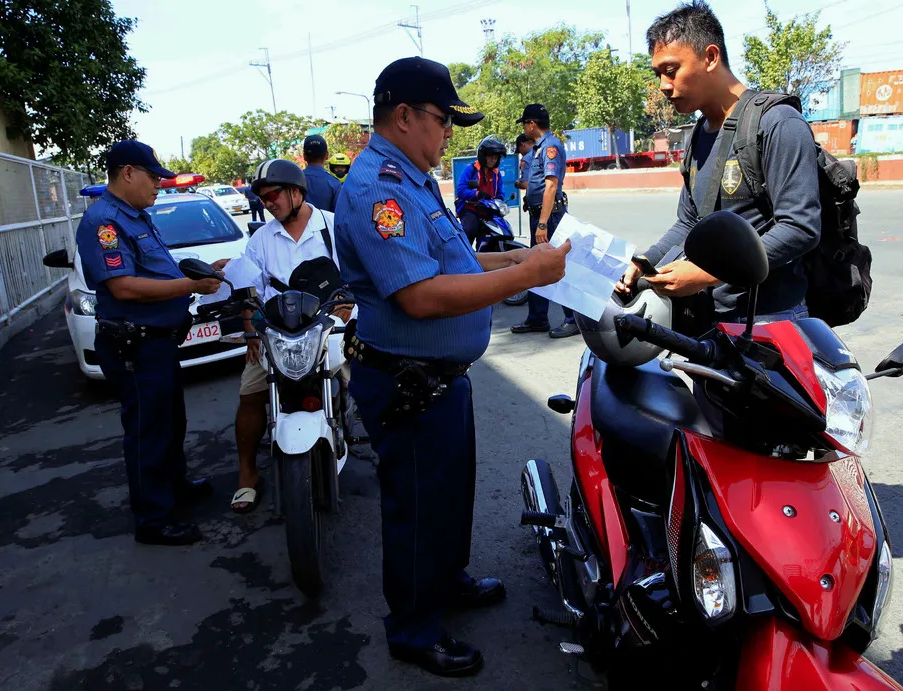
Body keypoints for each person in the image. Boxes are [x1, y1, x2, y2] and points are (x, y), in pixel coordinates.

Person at [334, 56, 570, 677]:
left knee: (448, 491)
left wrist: (518, 256)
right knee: (415, 503)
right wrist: (527, 275)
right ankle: (413, 626)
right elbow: (420, 295)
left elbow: (456, 265)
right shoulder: (378, 187)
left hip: (439, 379)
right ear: (404, 116)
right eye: (442, 121)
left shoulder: (412, 179)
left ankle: (445, 580)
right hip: (408, 382)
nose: (448, 136)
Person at [616, 0, 820, 326]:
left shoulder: (778, 122)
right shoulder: (698, 135)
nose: (663, 86)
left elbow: (800, 228)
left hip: (771, 320)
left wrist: (706, 273)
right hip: (711, 322)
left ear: (710, 57)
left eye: (671, 71)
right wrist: (645, 262)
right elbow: (689, 224)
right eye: (658, 75)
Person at [76, 140, 227, 546]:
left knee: (169, 421)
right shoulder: (105, 222)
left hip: (157, 343)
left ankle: (173, 487)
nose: (158, 185)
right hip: (134, 345)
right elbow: (124, 287)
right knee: (148, 430)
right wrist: (191, 284)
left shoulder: (136, 216)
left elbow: (156, 271)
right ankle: (154, 519)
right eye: (153, 177)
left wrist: (200, 273)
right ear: (127, 172)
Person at [230, 158, 350, 512]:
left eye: (274, 194)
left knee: (373, 379)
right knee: (251, 395)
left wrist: (349, 302)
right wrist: (251, 333)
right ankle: (247, 474)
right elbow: (248, 290)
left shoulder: (333, 226)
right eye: (263, 198)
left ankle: (387, 455)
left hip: (329, 331)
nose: (268, 202)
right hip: (278, 335)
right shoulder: (260, 240)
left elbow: (359, 272)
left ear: (297, 192)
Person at [510, 103, 578, 338]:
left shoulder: (550, 147)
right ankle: (538, 318)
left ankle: (573, 318)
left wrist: (542, 223)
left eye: (525, 125)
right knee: (536, 265)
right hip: (541, 215)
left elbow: (551, 185)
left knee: (558, 264)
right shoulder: (538, 149)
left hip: (549, 217)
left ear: (531, 124)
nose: (525, 130)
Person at [454, 137, 506, 247]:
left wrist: (500, 199)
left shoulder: (496, 174)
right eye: (491, 157)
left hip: (488, 212)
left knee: (490, 241)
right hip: (471, 210)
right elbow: (461, 190)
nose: (494, 160)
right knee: (469, 231)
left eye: (496, 157)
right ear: (483, 156)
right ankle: (463, 259)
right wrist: (477, 194)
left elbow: (500, 191)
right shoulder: (470, 169)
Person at [301, 134, 342, 212]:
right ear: (326, 155)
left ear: (304, 156)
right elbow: (338, 216)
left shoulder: (294, 181)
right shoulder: (335, 184)